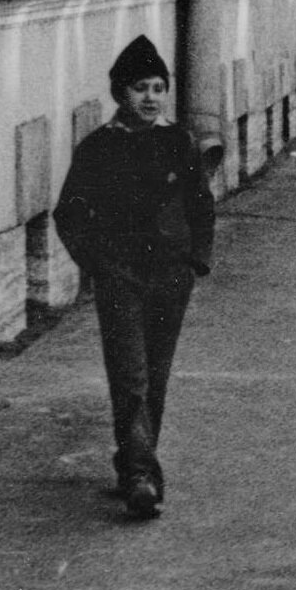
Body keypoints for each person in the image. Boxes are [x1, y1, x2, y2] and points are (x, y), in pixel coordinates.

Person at [53, 36, 216, 520]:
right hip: (120, 276)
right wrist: (98, 264)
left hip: (170, 275)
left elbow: (200, 205)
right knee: (131, 375)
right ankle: (142, 474)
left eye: (158, 87)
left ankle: (133, 461)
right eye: (140, 88)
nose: (151, 97)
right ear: (120, 94)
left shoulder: (178, 142)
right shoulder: (100, 148)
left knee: (157, 374)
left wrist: (195, 261)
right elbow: (70, 215)